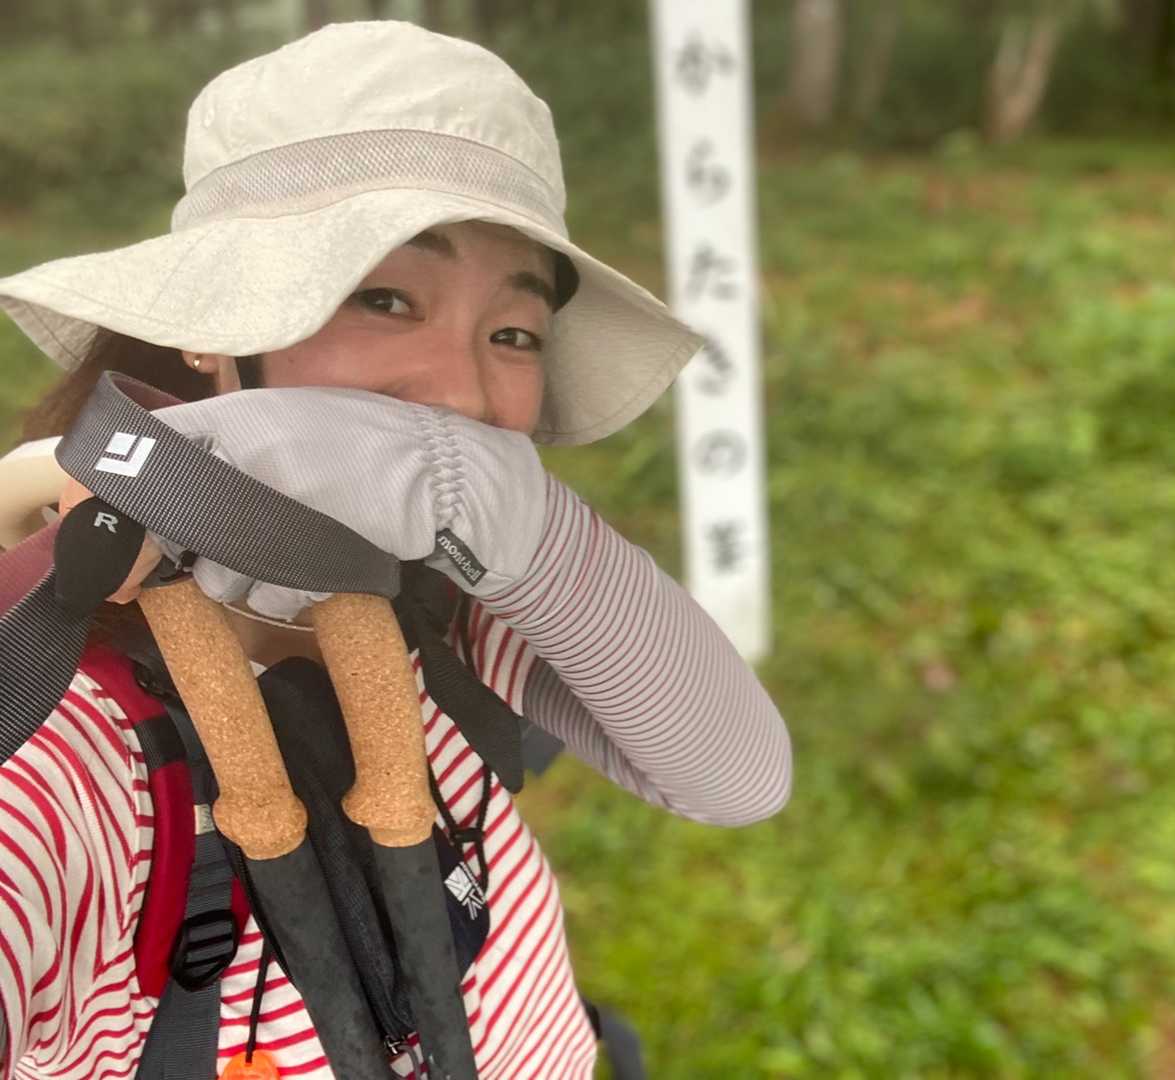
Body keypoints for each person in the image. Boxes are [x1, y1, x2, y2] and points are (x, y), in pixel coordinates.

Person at [0, 21, 790, 1079]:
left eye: (514, 333)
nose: (462, 393)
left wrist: (507, 516)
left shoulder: (449, 601)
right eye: (383, 298)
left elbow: (734, 777)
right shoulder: (63, 744)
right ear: (211, 328)